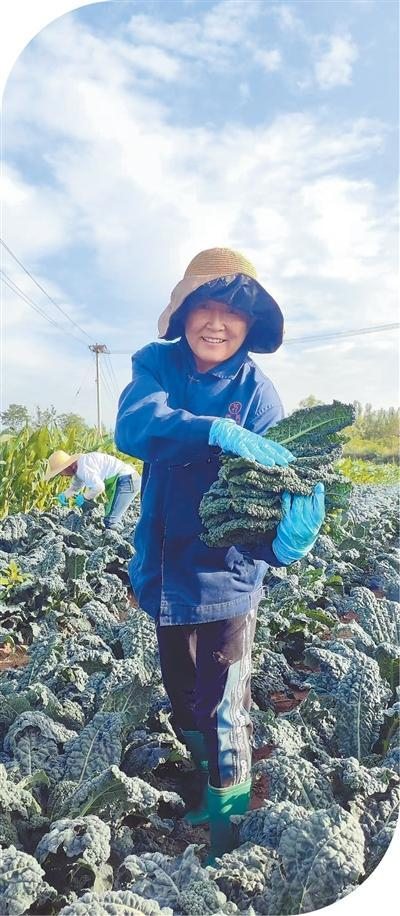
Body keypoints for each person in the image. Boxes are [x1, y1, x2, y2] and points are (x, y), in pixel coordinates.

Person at [115, 247, 325, 864]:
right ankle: (208, 780)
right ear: (182, 314)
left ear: (250, 325)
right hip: (163, 569)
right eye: (203, 307)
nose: (215, 323)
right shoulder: (155, 365)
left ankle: (228, 835)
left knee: (226, 706)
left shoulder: (259, 396)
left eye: (231, 313)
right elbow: (135, 425)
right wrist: (211, 429)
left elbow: (272, 497)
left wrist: (283, 542)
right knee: (181, 694)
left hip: (228, 578)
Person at [44, 449, 141, 529]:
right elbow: (75, 487)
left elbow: (99, 487)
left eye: (60, 472)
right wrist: (64, 495)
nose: (62, 475)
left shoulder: (84, 468)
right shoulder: (78, 468)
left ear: (66, 466)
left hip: (127, 480)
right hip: (126, 480)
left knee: (110, 522)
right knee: (111, 516)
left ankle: (122, 544)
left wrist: (84, 497)